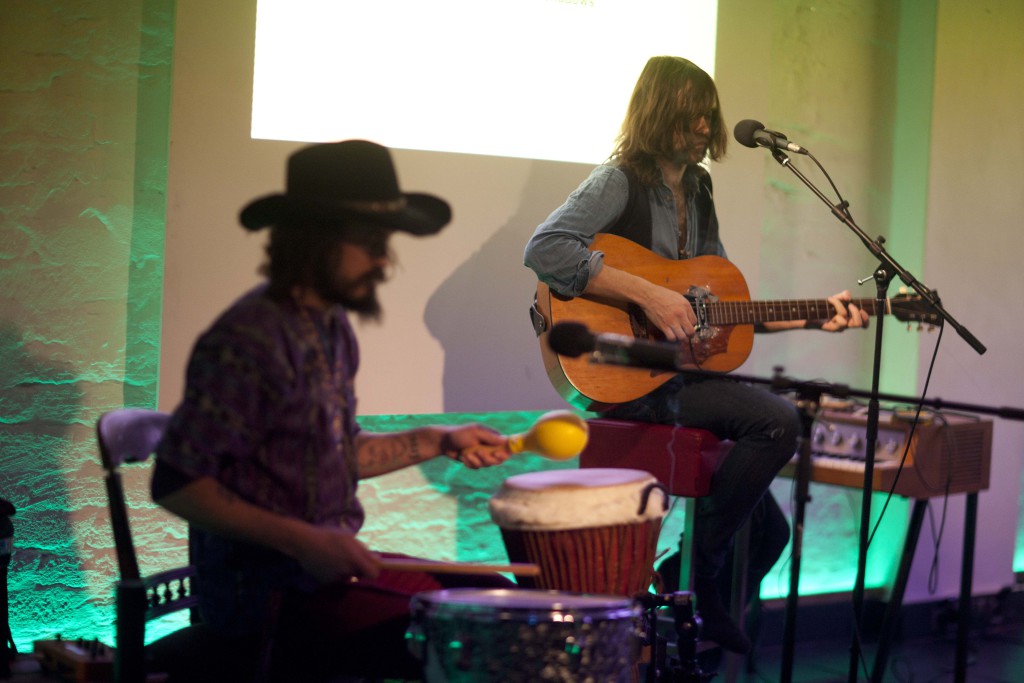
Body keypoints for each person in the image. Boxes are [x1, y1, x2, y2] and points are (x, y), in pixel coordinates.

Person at [523, 56, 869, 655]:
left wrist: (814, 314)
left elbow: (718, 303)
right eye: (693, 113)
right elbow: (546, 248)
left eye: (710, 112)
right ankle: (699, 573)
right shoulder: (619, 180)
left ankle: (691, 625)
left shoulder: (700, 189)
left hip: (674, 374)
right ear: (659, 112)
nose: (707, 125)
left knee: (771, 537)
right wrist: (648, 294)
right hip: (623, 374)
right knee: (776, 420)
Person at [152, 140, 515, 682]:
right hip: (266, 596)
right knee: (483, 630)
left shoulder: (330, 327)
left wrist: (439, 439)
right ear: (314, 240)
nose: (384, 260)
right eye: (370, 243)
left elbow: (334, 456)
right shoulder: (249, 339)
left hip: (317, 578)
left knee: (498, 598)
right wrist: (305, 541)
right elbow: (177, 482)